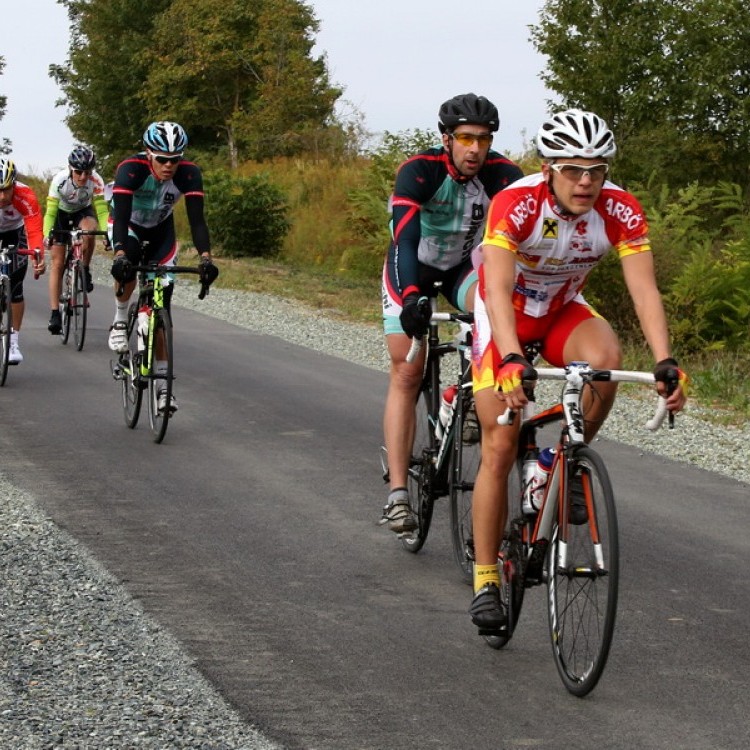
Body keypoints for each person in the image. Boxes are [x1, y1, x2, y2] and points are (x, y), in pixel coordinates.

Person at [467, 108, 688, 632]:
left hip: (564, 307)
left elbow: (643, 290)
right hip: (507, 313)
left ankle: (559, 462)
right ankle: (484, 579)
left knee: (606, 362)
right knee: (499, 446)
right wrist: (512, 355)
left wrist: (664, 359)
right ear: (549, 169)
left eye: (597, 169)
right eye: (572, 169)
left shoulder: (620, 209)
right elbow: (495, 289)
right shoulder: (516, 203)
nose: (586, 181)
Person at [380, 93, 524, 533]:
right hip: (411, 269)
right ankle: (398, 494)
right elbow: (404, 241)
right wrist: (409, 298)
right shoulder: (419, 171)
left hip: (463, 267)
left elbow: (516, 244)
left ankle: (458, 395)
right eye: (465, 138)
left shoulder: (503, 176)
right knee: (407, 371)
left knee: (495, 315)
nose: (475, 149)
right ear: (447, 138)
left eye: (483, 139)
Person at [107, 121, 218, 414]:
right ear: (148, 153)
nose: (169, 166)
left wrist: (206, 258)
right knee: (129, 261)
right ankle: (120, 318)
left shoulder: (189, 174)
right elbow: (119, 218)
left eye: (175, 159)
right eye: (162, 159)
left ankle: (165, 389)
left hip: (160, 231)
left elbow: (197, 221)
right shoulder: (130, 169)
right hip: (128, 226)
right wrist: (119, 254)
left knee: (162, 308)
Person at [44, 146, 110, 334]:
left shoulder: (96, 181)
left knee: (89, 231)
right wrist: (47, 233)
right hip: (61, 214)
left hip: (83, 212)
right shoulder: (59, 180)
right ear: (70, 168)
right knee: (57, 263)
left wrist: (107, 234)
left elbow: (103, 212)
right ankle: (55, 313)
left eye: (87, 172)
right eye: (78, 172)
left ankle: (85, 269)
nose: (82, 177)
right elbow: (50, 213)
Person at [0, 158, 46, 364]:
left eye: (6, 189)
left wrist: (38, 255)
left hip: (14, 233)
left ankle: (13, 342)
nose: (2, 196)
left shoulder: (25, 195)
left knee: (16, 284)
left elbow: (35, 230)